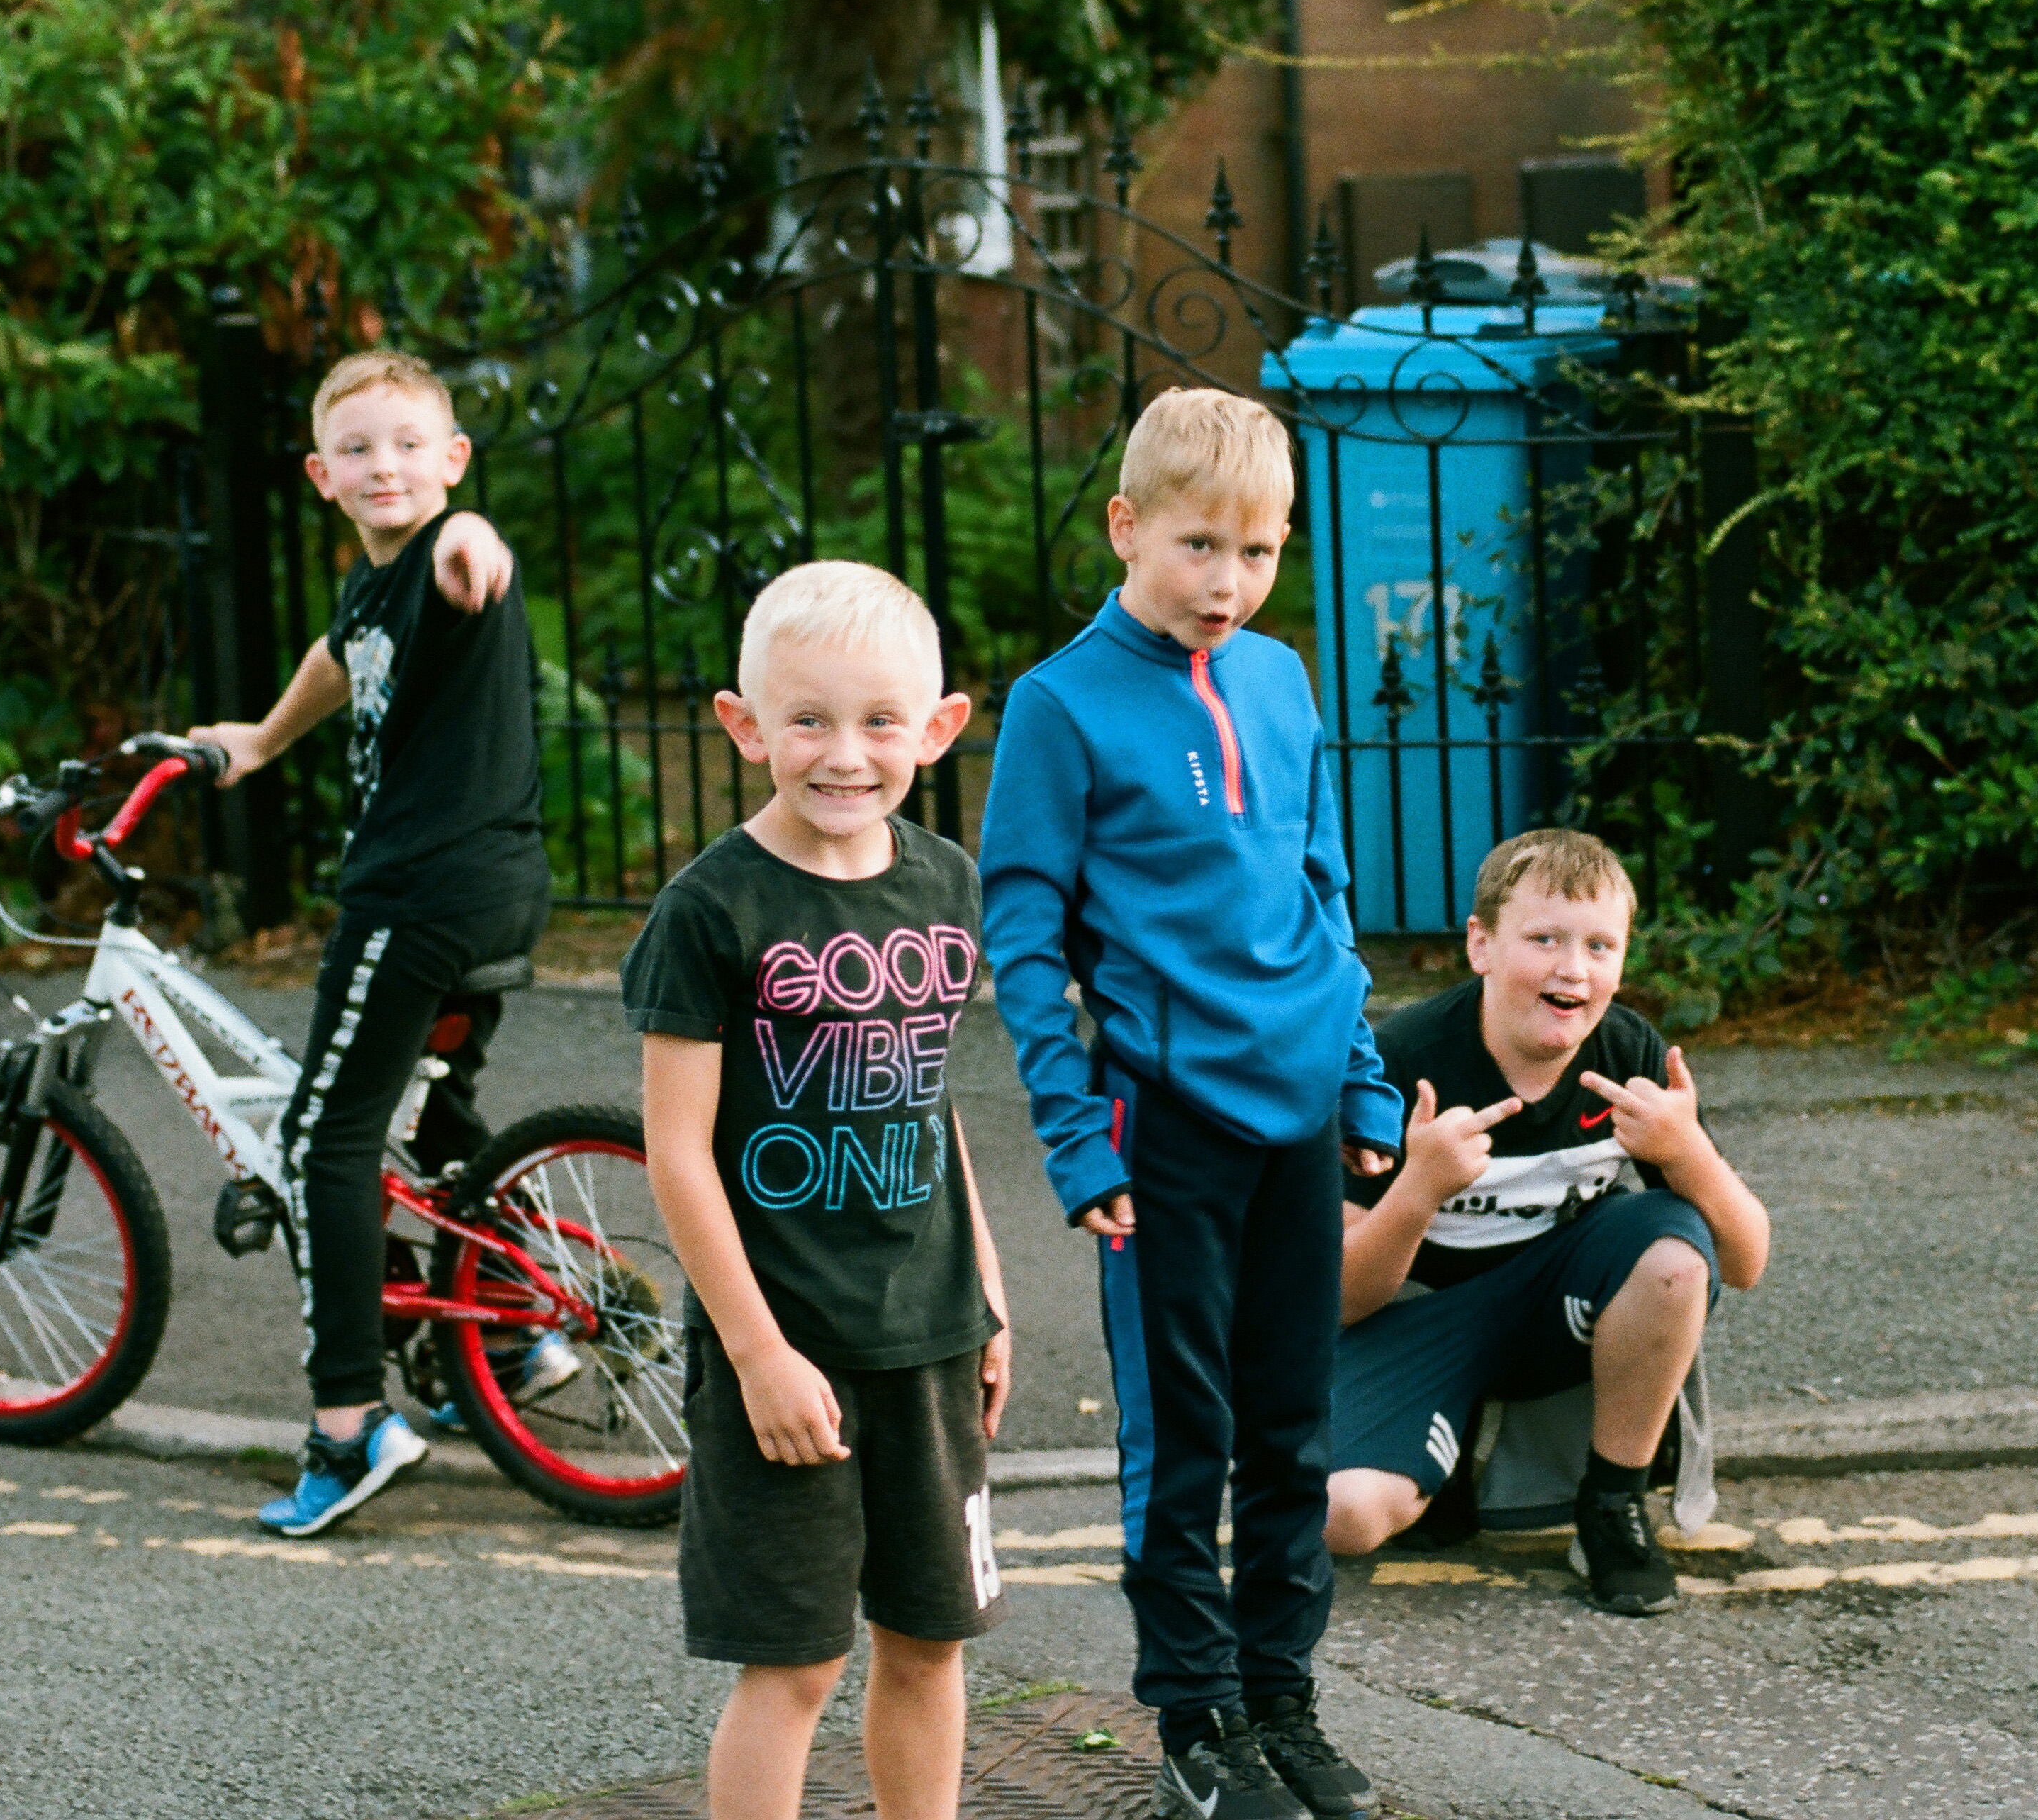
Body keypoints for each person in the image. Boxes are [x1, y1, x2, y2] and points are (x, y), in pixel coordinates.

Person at [980, 387, 1401, 1820]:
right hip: (1158, 1125)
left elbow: (1321, 891)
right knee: (1186, 1436)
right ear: (1128, 528)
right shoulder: (1057, 705)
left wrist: (1359, 1072)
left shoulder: (1280, 683)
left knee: (1295, 1424)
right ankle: (1193, 1724)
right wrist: (1072, 1128)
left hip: (1298, 1114)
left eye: (1261, 551)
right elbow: (1024, 936)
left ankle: (1282, 1701)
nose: (1230, 582)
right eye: (1200, 546)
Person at [625, 560, 1014, 1820]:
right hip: (785, 1346)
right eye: (808, 719)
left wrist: (990, 1286)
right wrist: (757, 1353)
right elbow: (678, 1151)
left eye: (880, 720)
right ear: (745, 724)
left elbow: (925, 1092)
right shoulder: (709, 909)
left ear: (939, 727)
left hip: (933, 1336)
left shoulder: (947, 881)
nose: (845, 753)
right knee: (797, 1661)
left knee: (929, 1638)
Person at [190, 347, 552, 1538]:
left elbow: (473, 559)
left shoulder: (449, 562)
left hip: (416, 895)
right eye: (358, 448)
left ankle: (348, 1427)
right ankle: (512, 1326)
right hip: (495, 888)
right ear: (320, 475)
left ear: (452, 462)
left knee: (320, 1143)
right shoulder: (368, 589)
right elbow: (338, 661)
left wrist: (470, 541)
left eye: (408, 444)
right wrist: (261, 737)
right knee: (440, 1114)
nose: (383, 464)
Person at [1321, 827, 1771, 1615]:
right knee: (1346, 1517)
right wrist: (1416, 1188)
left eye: (1601, 945)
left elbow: (1745, 1262)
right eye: (1544, 939)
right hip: (1417, 1320)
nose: (1573, 967)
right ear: (1481, 945)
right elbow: (1334, 1299)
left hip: (1554, 1314)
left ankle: (1611, 1504)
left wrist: (1688, 1151)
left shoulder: (1628, 1050)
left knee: (1673, 1251)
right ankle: (1449, 1451)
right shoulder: (1396, 1062)